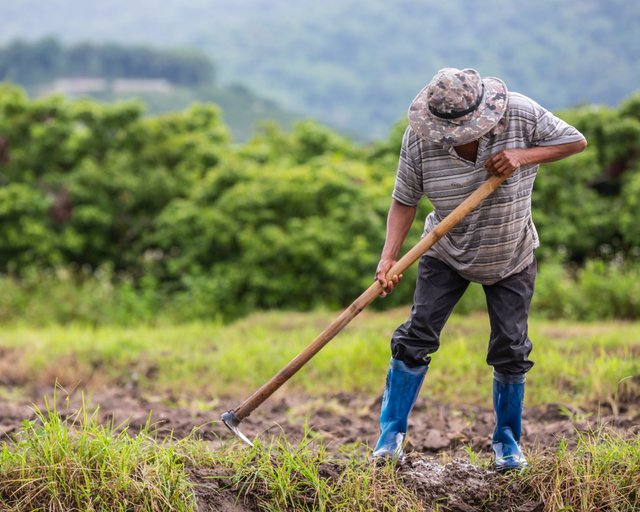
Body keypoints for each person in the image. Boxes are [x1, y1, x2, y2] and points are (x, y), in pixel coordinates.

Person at [372, 67, 587, 470]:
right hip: (445, 249)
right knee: (416, 337)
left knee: (510, 347)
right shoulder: (420, 138)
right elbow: (405, 199)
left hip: (511, 252)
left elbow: (575, 141)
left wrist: (523, 156)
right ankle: (390, 437)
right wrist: (389, 257)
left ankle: (507, 443)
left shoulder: (520, 114)